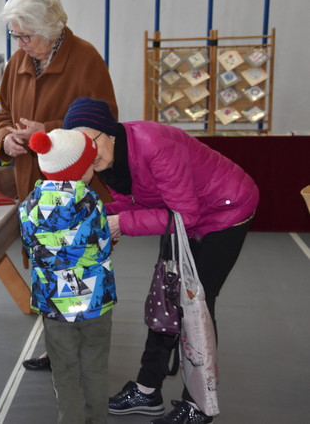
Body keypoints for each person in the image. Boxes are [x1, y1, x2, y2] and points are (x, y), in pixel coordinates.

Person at [62, 97, 259, 424]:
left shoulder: (154, 145)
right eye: (80, 145)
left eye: (92, 140)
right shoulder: (110, 161)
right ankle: (147, 389)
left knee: (196, 306)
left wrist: (119, 224)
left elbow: (185, 215)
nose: (89, 151)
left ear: (110, 133)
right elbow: (137, 205)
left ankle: (198, 405)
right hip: (182, 214)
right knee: (165, 300)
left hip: (225, 212)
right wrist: (93, 215)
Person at [0, 0, 118, 371]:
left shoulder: (86, 59)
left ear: (52, 29)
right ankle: (58, 347)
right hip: (34, 184)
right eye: (16, 35)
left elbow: (105, 123)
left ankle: (80, 349)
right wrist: (6, 138)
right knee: (47, 267)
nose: (21, 44)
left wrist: (45, 131)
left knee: (78, 266)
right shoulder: (18, 61)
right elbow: (1, 114)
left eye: (26, 36)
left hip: (77, 188)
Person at [19, 128, 116, 424]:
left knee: (64, 368)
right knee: (95, 366)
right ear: (80, 169)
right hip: (94, 300)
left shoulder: (29, 206)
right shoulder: (90, 202)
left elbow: (29, 246)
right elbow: (104, 243)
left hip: (55, 303)